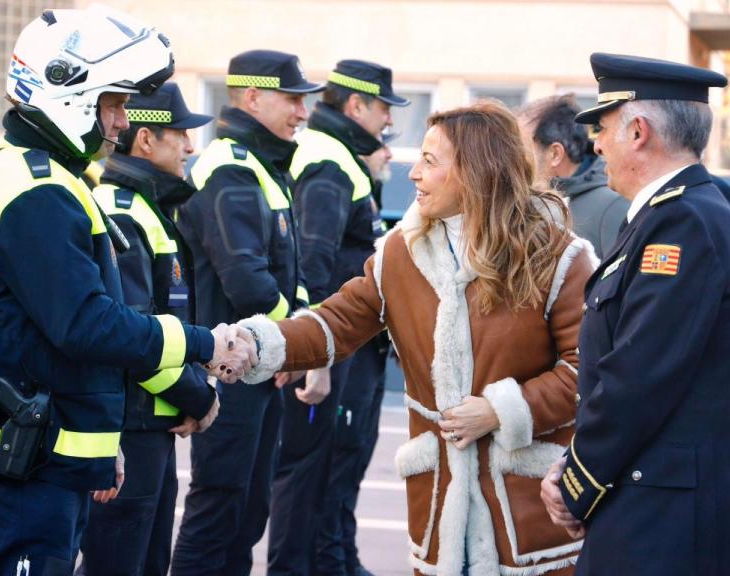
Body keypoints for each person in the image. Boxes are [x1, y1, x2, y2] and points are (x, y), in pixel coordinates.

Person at [0, 7, 253, 575]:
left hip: (44, 452)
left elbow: (59, 334)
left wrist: (99, 439)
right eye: (112, 103)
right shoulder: (35, 190)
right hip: (23, 461)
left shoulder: (48, 178)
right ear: (70, 94)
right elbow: (86, 324)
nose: (121, 121)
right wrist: (203, 344)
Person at [240, 101, 594, 575]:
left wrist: (500, 410)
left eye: (430, 160)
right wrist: (253, 345)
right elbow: (335, 325)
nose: (413, 174)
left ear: (475, 170)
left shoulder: (559, 256)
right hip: (440, 514)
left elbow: (586, 369)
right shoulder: (399, 255)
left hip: (526, 519)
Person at [539, 53, 730, 575]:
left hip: (674, 519)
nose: (596, 146)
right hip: (665, 501)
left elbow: (640, 375)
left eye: (602, 129)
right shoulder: (672, 213)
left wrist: (576, 480)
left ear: (638, 131)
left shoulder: (683, 222)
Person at [171, 50, 324, 575]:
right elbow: (247, 279)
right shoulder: (228, 167)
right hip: (229, 369)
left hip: (259, 367)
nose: (303, 113)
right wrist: (294, 338)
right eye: (294, 100)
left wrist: (290, 337)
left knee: (248, 509)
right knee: (218, 506)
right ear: (253, 97)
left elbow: (285, 274)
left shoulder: (261, 165)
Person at [271, 59, 408, 576]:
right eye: (382, 111)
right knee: (312, 470)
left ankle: (336, 560)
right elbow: (316, 263)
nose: (387, 125)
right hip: (335, 347)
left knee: (339, 461)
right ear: (356, 106)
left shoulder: (345, 158)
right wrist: (317, 352)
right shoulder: (329, 161)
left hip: (349, 347)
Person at [78, 82, 218, 576]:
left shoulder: (148, 208)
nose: (189, 146)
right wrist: (198, 398)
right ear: (144, 140)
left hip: (150, 424)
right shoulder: (121, 211)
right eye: (180, 134)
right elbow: (132, 337)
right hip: (131, 428)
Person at [319, 139, 395, 576]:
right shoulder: (333, 172)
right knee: (339, 460)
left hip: (370, 351)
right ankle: (331, 560)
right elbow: (321, 271)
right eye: (381, 142)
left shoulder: (361, 184)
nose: (390, 154)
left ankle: (343, 555)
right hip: (348, 352)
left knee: (354, 460)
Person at [517, 95, 628, 259]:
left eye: (522, 147)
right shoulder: (525, 202)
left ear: (555, 154)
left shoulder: (613, 206)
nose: (513, 156)